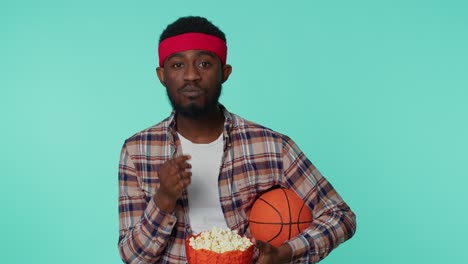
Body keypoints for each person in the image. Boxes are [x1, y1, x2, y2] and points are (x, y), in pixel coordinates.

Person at [118, 16, 356, 264]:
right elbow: (133, 257)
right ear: (162, 75)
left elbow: (340, 216)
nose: (191, 76)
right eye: (177, 65)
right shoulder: (138, 151)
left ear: (225, 73)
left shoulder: (272, 147)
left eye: (204, 64)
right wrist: (164, 198)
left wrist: (285, 253)